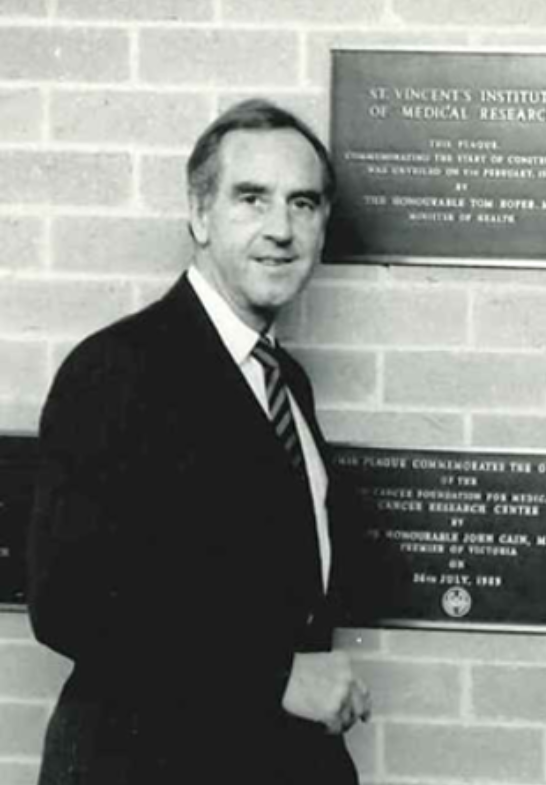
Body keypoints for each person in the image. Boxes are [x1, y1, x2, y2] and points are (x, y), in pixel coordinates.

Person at [29, 99, 370, 785]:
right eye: (252, 198)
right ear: (200, 215)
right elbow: (69, 603)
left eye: (303, 204)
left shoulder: (286, 383)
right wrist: (276, 677)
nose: (281, 229)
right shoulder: (117, 369)